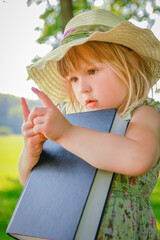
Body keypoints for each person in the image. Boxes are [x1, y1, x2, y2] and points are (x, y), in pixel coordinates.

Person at [19, 9, 160, 239]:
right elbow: (31, 185)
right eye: (74, 79)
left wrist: (66, 133)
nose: (82, 88)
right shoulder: (70, 118)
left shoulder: (142, 113)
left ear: (131, 64)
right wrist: (31, 152)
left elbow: (137, 158)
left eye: (92, 71)